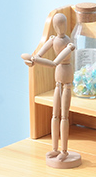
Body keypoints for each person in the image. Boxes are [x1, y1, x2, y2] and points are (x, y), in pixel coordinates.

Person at [22, 13, 80, 167]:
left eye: (61, 24)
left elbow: (55, 62)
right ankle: (55, 148)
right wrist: (32, 61)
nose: (59, 28)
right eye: (57, 25)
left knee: (64, 116)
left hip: (66, 78)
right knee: (54, 114)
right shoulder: (53, 39)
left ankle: (64, 151)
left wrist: (36, 60)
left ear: (65, 25)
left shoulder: (69, 44)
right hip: (57, 81)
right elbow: (39, 53)